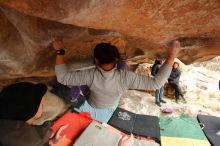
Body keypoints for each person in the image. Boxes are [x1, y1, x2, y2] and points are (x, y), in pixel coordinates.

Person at [53, 37, 181, 123]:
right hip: (111, 107)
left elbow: (62, 77)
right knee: (122, 67)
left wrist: (60, 51)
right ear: (115, 59)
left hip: (93, 106)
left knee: (64, 88)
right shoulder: (125, 76)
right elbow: (156, 83)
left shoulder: (90, 75)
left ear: (96, 60)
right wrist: (172, 56)